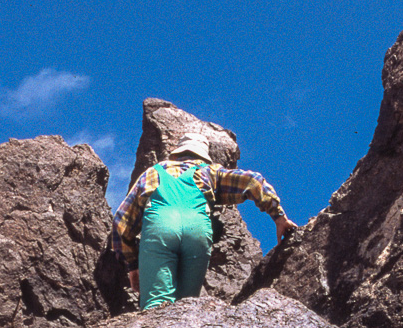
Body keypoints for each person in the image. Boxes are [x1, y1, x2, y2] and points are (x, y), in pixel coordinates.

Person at [112, 132, 298, 309]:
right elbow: (254, 180)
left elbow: (121, 223)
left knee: (157, 302)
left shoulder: (152, 172)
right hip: (197, 231)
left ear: (176, 154)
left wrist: (133, 266)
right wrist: (279, 218)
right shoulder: (209, 171)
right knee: (186, 306)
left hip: (160, 228)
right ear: (203, 157)